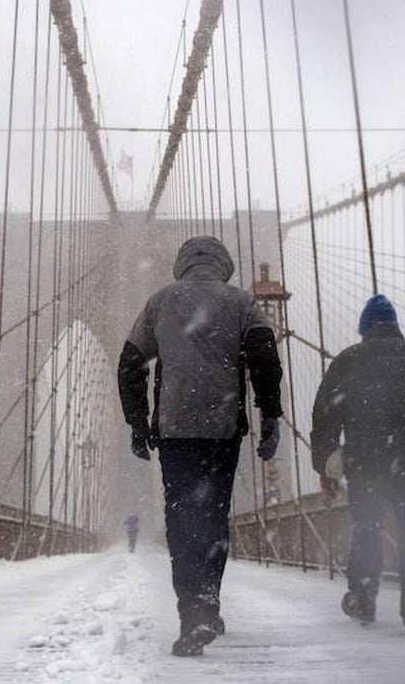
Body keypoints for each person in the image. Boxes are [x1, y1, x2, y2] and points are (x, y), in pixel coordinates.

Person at [117, 236, 283, 657]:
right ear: (224, 264)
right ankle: (207, 601)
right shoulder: (243, 303)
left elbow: (129, 365)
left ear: (182, 264)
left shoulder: (160, 302)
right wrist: (270, 420)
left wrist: (138, 424)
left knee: (182, 518)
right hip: (223, 428)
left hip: (175, 431)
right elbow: (266, 360)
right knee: (212, 516)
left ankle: (192, 610)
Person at [310, 294, 405, 638]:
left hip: (367, 466)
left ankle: (363, 598)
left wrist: (326, 466)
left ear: (365, 330)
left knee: (366, 530)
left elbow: (325, 417)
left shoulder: (348, 362)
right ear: (395, 327)